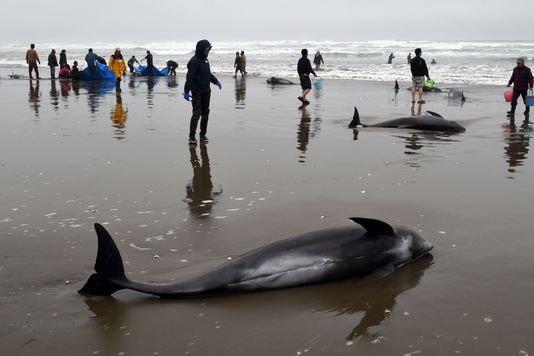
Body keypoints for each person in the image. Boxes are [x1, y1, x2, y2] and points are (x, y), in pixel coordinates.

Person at [183, 39, 222, 144]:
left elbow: (208, 74)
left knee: (205, 113)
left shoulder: (206, 60)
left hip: (206, 91)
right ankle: (192, 137)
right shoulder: (194, 61)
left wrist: (216, 81)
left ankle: (202, 134)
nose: (208, 51)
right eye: (207, 49)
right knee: (197, 114)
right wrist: (186, 91)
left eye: (209, 49)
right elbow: (189, 78)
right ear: (201, 49)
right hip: (197, 92)